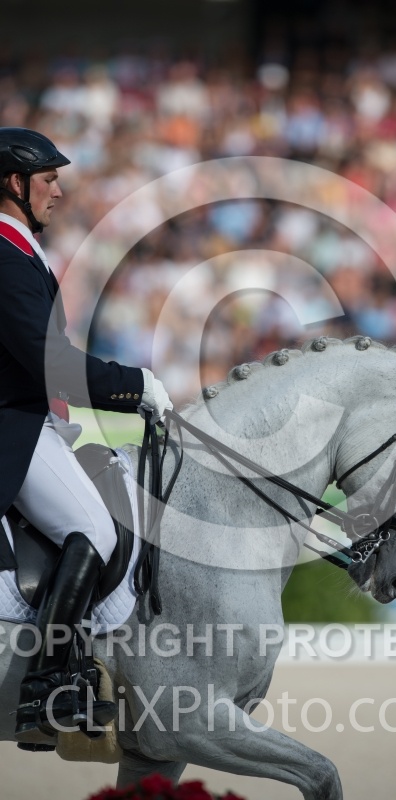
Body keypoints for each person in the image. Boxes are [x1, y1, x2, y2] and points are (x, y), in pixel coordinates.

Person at [0, 127, 173, 745]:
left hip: (34, 418)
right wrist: (133, 385)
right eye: (48, 179)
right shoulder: (4, 256)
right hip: (12, 425)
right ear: (15, 183)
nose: (59, 190)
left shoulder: (20, 250)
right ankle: (46, 687)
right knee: (95, 528)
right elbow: (49, 361)